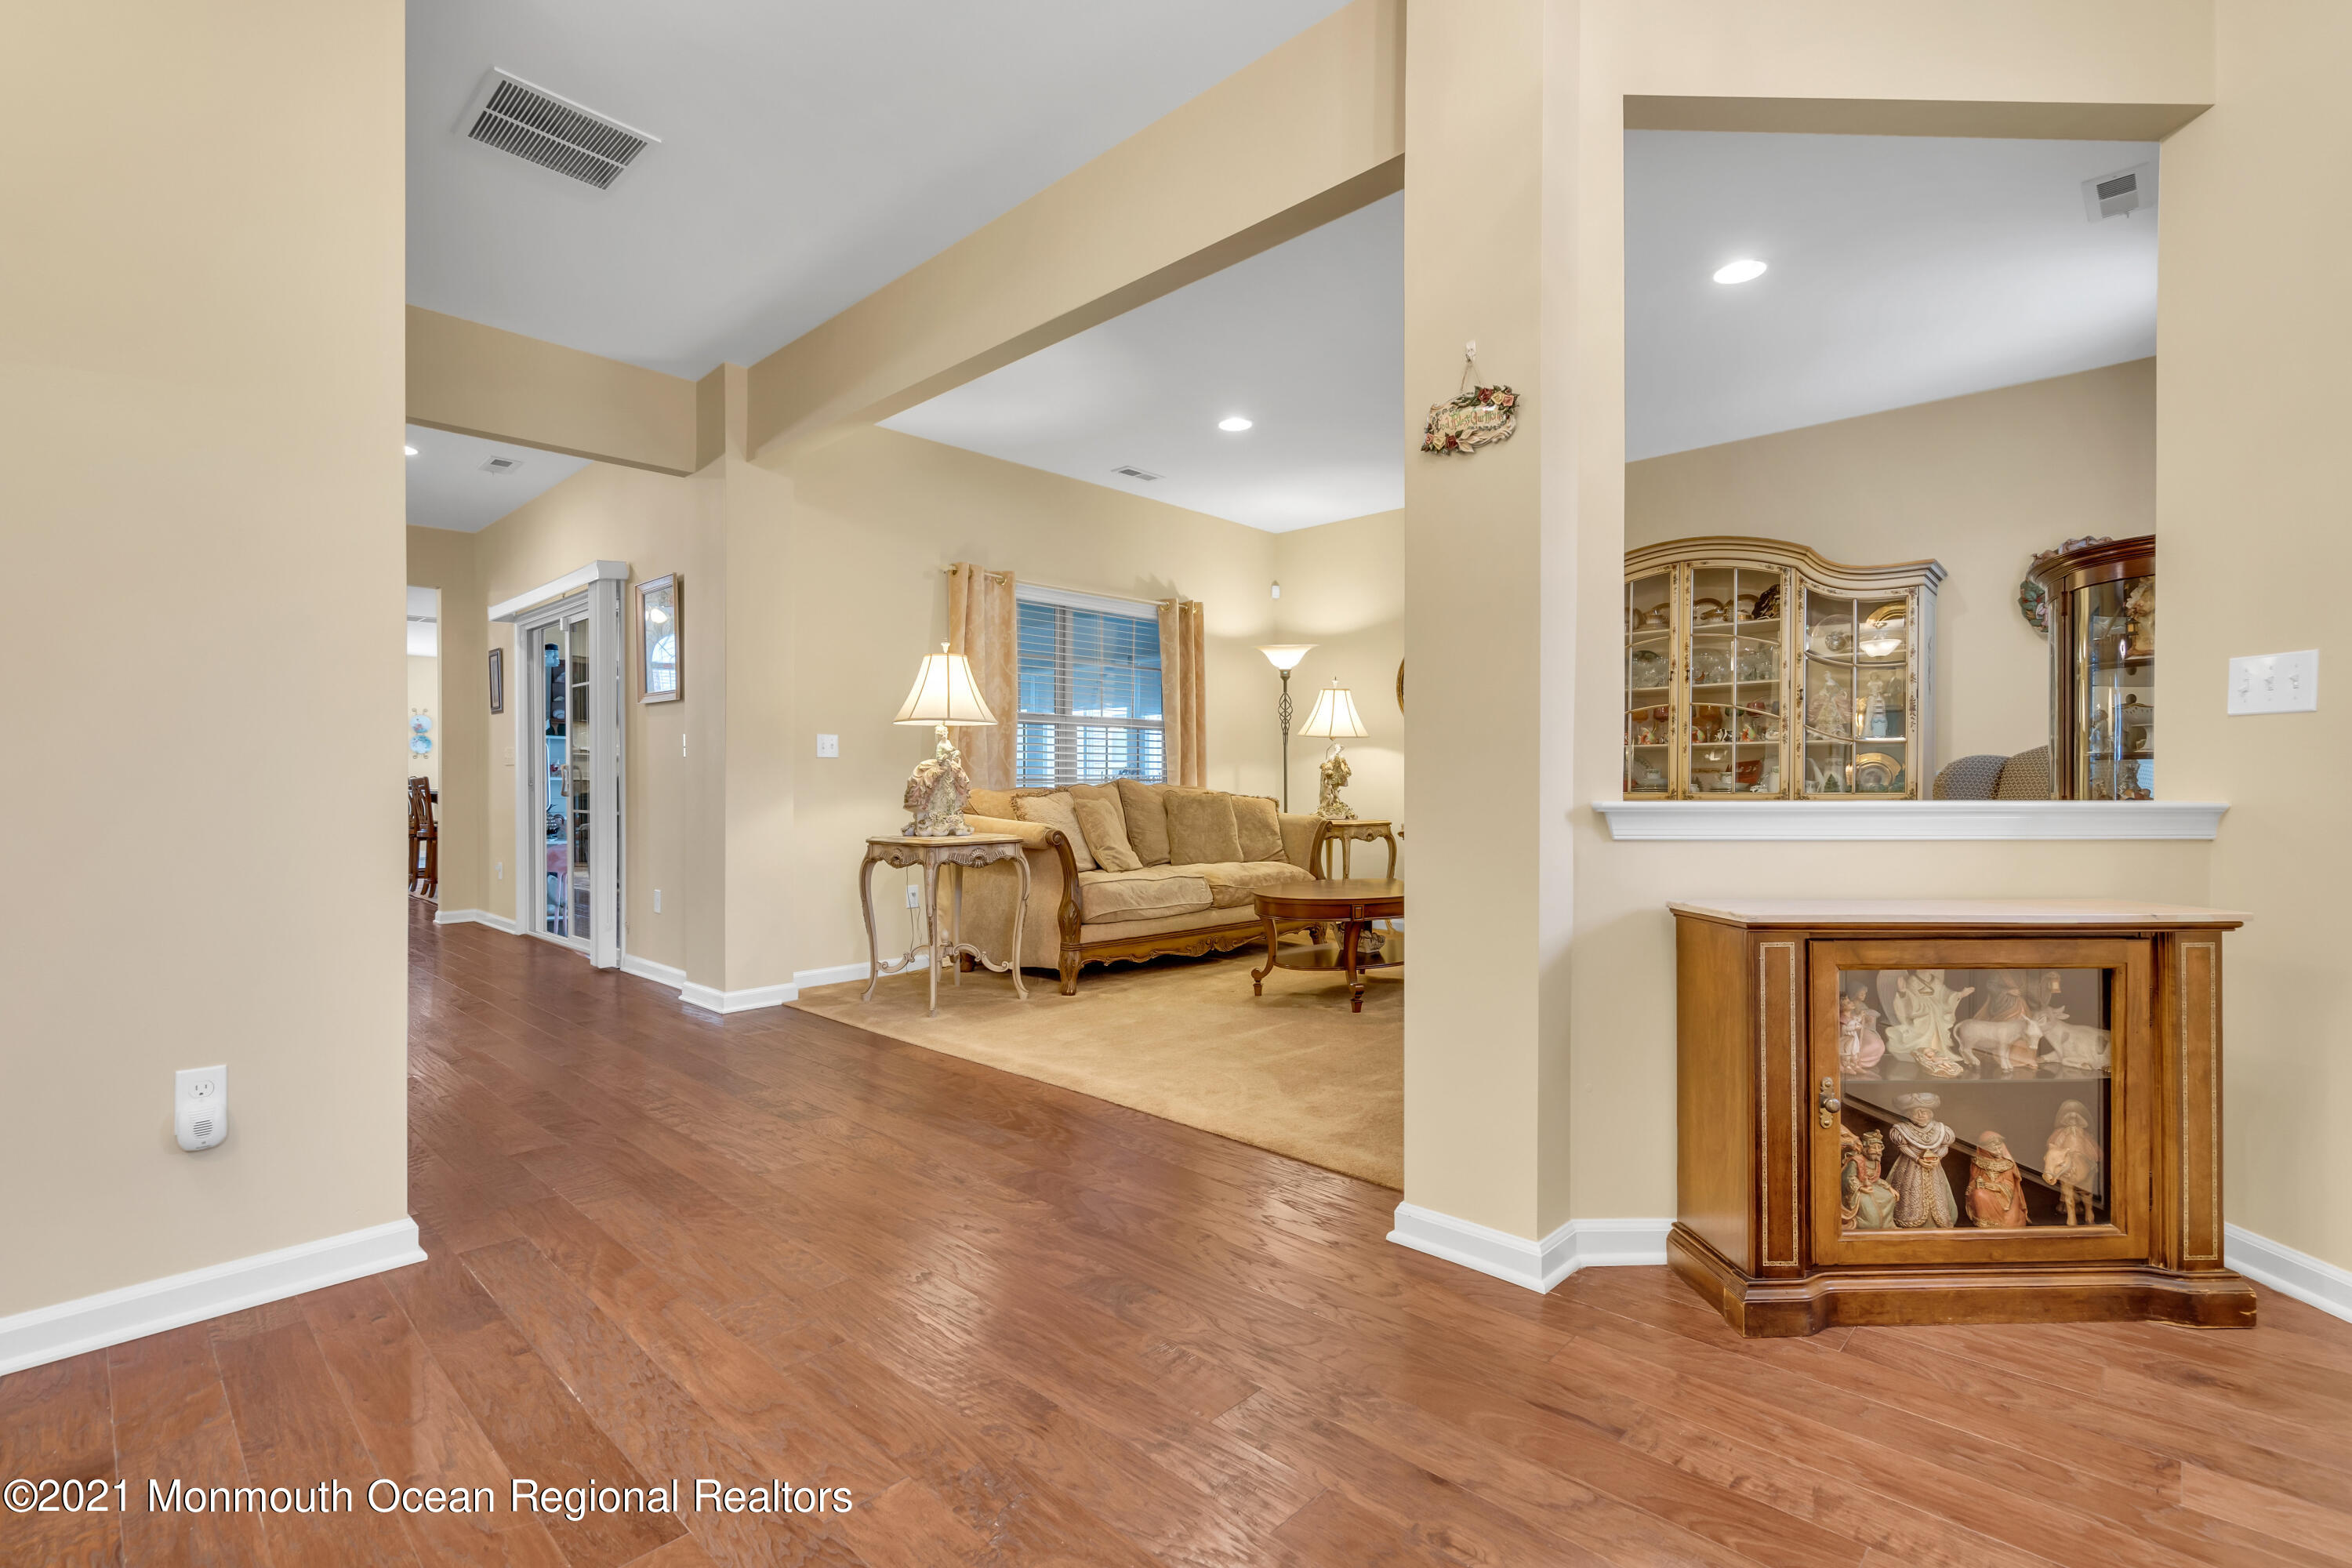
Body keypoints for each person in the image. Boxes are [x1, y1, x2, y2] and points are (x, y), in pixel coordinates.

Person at [1887, 1091, 1959, 1228]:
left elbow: (1944, 1146)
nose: (1921, 1115)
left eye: (1925, 1112)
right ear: (1909, 1114)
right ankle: (1909, 1220)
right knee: (1911, 1191)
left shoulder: (1941, 1129)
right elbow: (1903, 1147)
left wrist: (1938, 1157)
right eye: (1917, 1112)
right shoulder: (1901, 1129)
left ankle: (1937, 1220)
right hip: (1910, 1166)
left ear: (1931, 1113)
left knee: (1937, 1192)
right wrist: (1917, 1159)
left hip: (1934, 1167)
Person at [1965, 1131, 2031, 1228]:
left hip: (2004, 1198)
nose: (1998, 1150)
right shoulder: (1978, 1162)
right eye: (1993, 1148)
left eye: (1999, 1147)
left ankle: (2001, 1222)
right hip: (1985, 1195)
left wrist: (1992, 1186)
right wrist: (1976, 1184)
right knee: (1978, 1194)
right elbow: (1973, 1181)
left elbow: (2009, 1186)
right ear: (1985, 1149)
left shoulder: (2006, 1164)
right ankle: (1985, 1223)